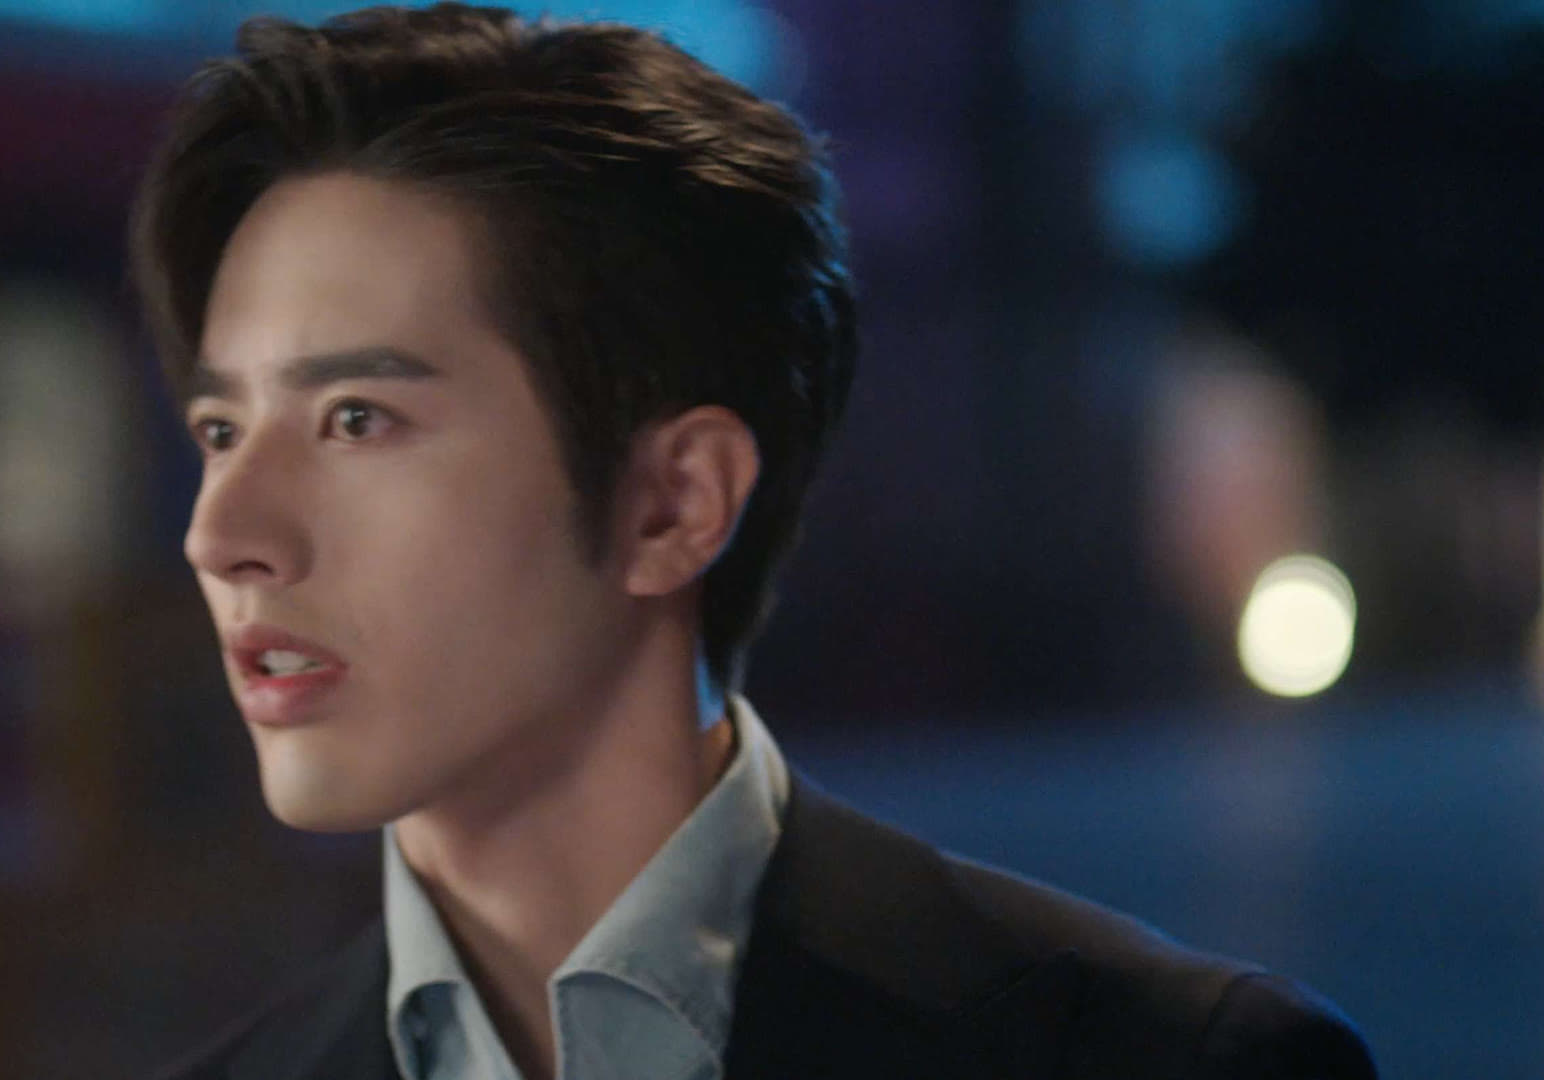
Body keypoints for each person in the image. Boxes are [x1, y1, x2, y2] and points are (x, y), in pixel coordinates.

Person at [128, 5, 1377, 1078]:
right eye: (222, 430)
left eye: (357, 419)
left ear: (674, 503)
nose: (221, 534)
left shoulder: (1160, 1058)